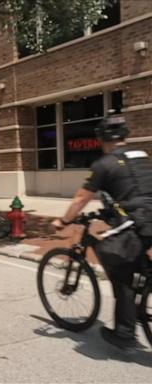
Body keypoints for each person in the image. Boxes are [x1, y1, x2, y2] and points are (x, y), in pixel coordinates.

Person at [52, 114, 152, 352]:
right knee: (141, 265)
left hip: (139, 223)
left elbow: (80, 199)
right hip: (146, 218)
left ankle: (124, 334)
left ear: (101, 138)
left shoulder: (102, 165)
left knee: (121, 272)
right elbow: (133, 190)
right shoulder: (142, 158)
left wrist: (64, 221)